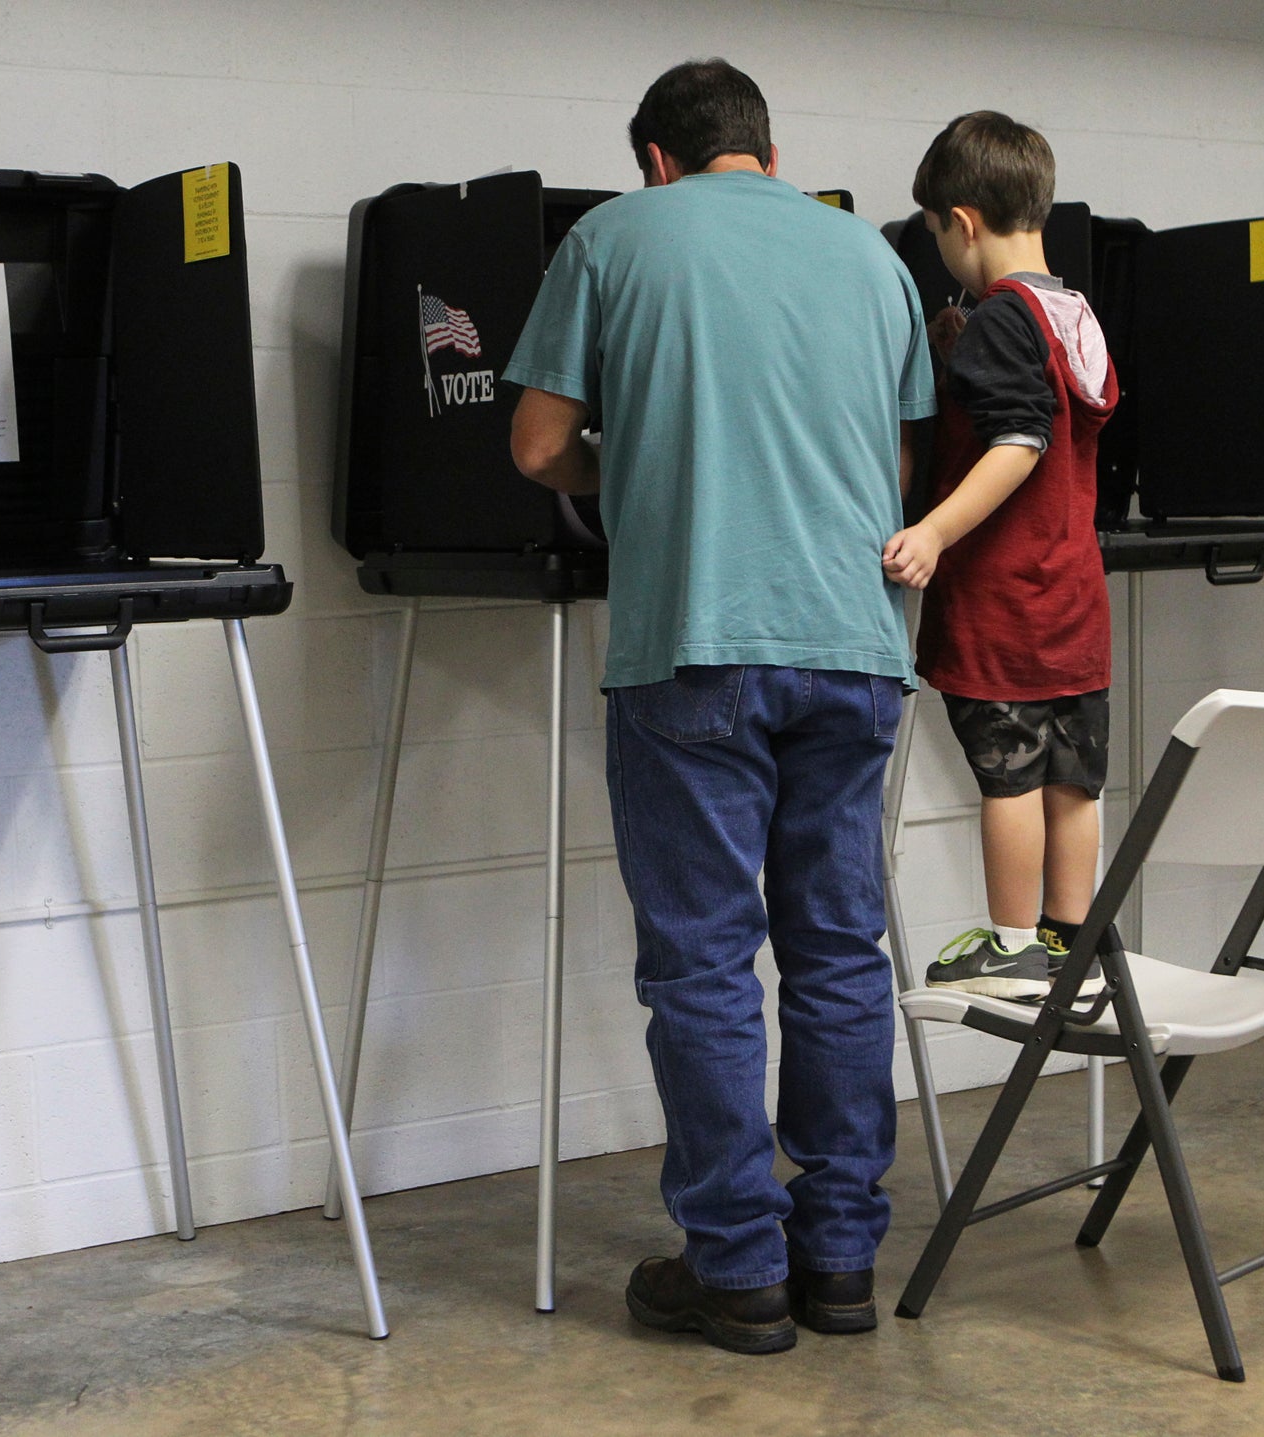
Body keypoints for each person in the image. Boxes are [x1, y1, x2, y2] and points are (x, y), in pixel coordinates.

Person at [503, 58, 934, 1355]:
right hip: (855, 646)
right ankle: (843, 1259)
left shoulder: (613, 236)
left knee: (701, 964)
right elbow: (894, 458)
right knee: (840, 951)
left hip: (693, 641)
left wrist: (632, 455)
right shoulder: (870, 257)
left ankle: (740, 1269)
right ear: (763, 148)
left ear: (657, 160)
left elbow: (533, 446)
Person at [880, 111, 1119, 1000]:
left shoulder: (1001, 323)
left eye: (935, 230)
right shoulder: (1071, 311)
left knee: (1009, 776)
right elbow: (1053, 417)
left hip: (1005, 603)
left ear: (963, 221)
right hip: (1073, 601)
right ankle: (1066, 937)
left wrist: (935, 530)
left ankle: (1014, 942)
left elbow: (1017, 440)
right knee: (1073, 778)